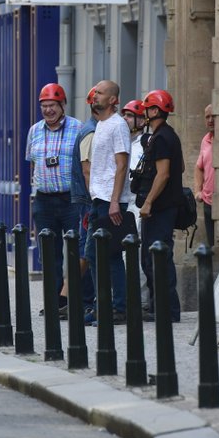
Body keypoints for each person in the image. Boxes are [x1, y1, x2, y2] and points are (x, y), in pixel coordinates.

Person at [25, 83, 82, 315]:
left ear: (62, 105)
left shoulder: (78, 128)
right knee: (49, 253)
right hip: (44, 200)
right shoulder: (34, 131)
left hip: (72, 199)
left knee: (76, 250)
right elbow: (33, 162)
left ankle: (76, 300)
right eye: (44, 106)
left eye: (52, 105)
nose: (48, 110)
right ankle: (53, 303)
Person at [83, 80, 132, 325]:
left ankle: (118, 308)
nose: (95, 96)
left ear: (113, 100)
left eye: (100, 93)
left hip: (110, 201)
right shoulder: (101, 125)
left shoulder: (118, 125)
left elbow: (122, 166)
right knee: (93, 254)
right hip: (98, 199)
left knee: (109, 256)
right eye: (95, 92)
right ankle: (102, 305)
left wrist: (115, 202)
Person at [134, 89, 184, 323]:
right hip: (160, 207)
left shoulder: (163, 137)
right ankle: (157, 306)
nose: (144, 114)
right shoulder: (164, 135)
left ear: (155, 110)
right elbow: (177, 169)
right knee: (150, 258)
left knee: (158, 257)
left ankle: (168, 310)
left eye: (147, 109)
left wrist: (148, 202)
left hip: (160, 208)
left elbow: (163, 175)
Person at [70, 86, 98, 314]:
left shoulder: (92, 129)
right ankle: (72, 297)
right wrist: (94, 199)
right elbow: (87, 170)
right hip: (88, 199)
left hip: (85, 198)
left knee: (86, 248)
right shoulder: (91, 132)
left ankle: (76, 297)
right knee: (86, 250)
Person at [122, 99, 149, 307]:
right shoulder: (123, 142)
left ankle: (140, 301)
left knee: (137, 254)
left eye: (130, 116)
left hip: (137, 204)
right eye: (125, 115)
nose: (126, 119)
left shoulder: (144, 145)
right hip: (122, 204)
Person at [194, 103, 216, 249]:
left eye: (213, 116)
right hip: (208, 201)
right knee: (212, 245)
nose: (210, 120)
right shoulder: (205, 140)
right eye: (207, 117)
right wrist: (198, 191)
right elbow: (198, 167)